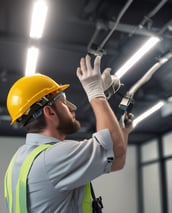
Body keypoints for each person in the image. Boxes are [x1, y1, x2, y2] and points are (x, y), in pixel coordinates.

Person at [4, 55, 133, 213]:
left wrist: (123, 130)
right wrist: (95, 93)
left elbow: (116, 160)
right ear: (49, 111)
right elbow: (114, 148)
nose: (73, 108)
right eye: (64, 102)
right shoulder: (53, 157)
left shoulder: (20, 160)